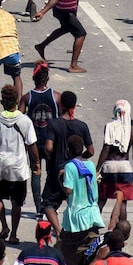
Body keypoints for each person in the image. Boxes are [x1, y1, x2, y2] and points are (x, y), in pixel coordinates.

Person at [34, 0, 124, 73]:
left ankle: (41, 46)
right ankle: (73, 65)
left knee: (65, 28)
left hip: (69, 10)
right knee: (80, 34)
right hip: (63, 11)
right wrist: (42, 12)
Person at [0, 85, 39, 243]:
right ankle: (13, 234)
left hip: (0, 166)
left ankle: (4, 226)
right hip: (18, 168)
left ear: (2, 102)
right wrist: (37, 163)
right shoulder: (25, 121)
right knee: (16, 202)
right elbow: (32, 145)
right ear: (17, 101)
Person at [41, 91, 95, 236]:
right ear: (74, 106)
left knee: (48, 203)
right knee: (77, 202)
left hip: (57, 170)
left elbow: (48, 147)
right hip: (77, 171)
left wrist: (52, 159)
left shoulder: (53, 124)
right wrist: (79, 159)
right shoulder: (81, 126)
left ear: (61, 105)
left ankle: (58, 231)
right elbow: (91, 151)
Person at [19, 60, 60, 216]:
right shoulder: (56, 96)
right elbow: (62, 118)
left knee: (36, 171)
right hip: (51, 143)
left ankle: (38, 207)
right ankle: (47, 203)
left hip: (33, 142)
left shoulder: (27, 97)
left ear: (33, 78)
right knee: (51, 174)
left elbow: (20, 119)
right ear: (47, 78)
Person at [59, 134, 104, 265]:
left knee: (69, 253)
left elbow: (68, 190)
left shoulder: (69, 166)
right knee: (90, 253)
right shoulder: (90, 164)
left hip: (76, 217)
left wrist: (60, 179)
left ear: (69, 150)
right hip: (92, 214)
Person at [95, 100, 133, 230]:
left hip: (109, 166)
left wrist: (97, 169)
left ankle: (93, 228)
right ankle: (121, 231)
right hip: (125, 166)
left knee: (102, 199)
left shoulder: (109, 127)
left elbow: (106, 149)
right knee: (123, 202)